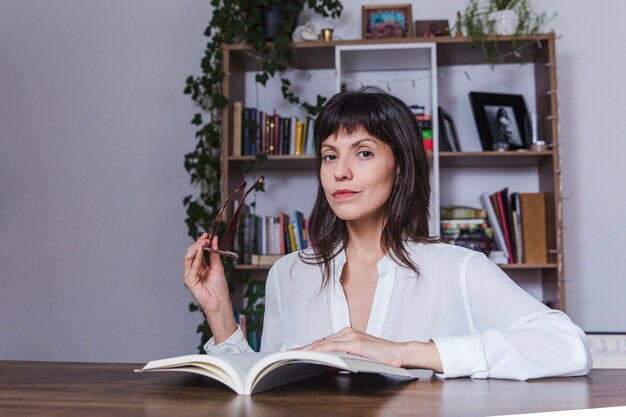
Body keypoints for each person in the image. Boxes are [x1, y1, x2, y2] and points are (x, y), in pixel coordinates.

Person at [183, 87, 592, 380]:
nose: (340, 171)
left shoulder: (459, 269)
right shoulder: (288, 273)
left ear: (400, 167)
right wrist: (219, 311)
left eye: (363, 152)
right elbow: (267, 383)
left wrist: (404, 354)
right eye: (330, 155)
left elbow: (568, 346)